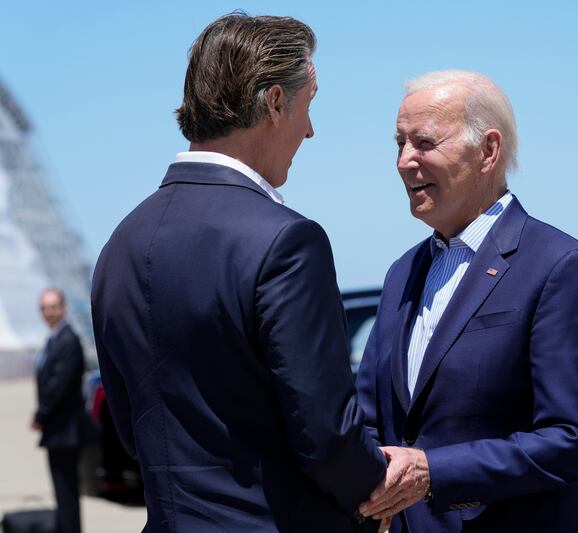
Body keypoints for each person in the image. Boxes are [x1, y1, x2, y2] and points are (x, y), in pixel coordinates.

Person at [90, 13, 386, 532]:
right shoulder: (286, 240)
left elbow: (133, 432)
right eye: (308, 106)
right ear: (274, 102)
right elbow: (325, 435)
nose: (311, 130)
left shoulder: (120, 244)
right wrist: (378, 486)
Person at [355, 70, 578, 532]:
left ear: (488, 151)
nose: (403, 160)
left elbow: (575, 442)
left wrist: (432, 472)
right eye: (399, 143)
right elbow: (373, 417)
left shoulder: (560, 266)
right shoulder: (403, 271)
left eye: (424, 143)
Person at [32, 288, 86, 533]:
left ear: (63, 308)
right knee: (62, 490)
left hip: (66, 429)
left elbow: (58, 385)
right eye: (45, 308)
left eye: (53, 307)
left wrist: (40, 415)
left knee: (66, 491)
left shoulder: (67, 340)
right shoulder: (53, 339)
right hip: (57, 429)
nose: (49, 313)